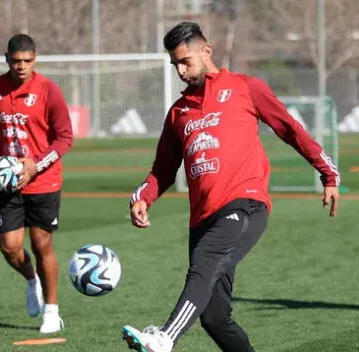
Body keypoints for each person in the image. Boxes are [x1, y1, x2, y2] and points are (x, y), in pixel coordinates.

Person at [121, 22, 341, 352]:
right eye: (175, 64)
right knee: (214, 317)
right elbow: (163, 169)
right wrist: (144, 197)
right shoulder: (178, 113)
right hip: (202, 220)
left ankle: (165, 338)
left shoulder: (244, 87)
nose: (180, 70)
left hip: (245, 204)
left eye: (186, 61)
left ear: (206, 51)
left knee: (204, 265)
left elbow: (290, 129)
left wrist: (328, 173)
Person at [0, 34, 73, 334]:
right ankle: (31, 279)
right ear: (6, 58)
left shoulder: (48, 90)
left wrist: (35, 165)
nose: (21, 66)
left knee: (41, 243)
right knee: (9, 247)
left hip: (44, 182)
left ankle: (51, 310)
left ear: (35, 59)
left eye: (27, 61)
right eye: (16, 61)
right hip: (9, 186)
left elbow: (64, 138)